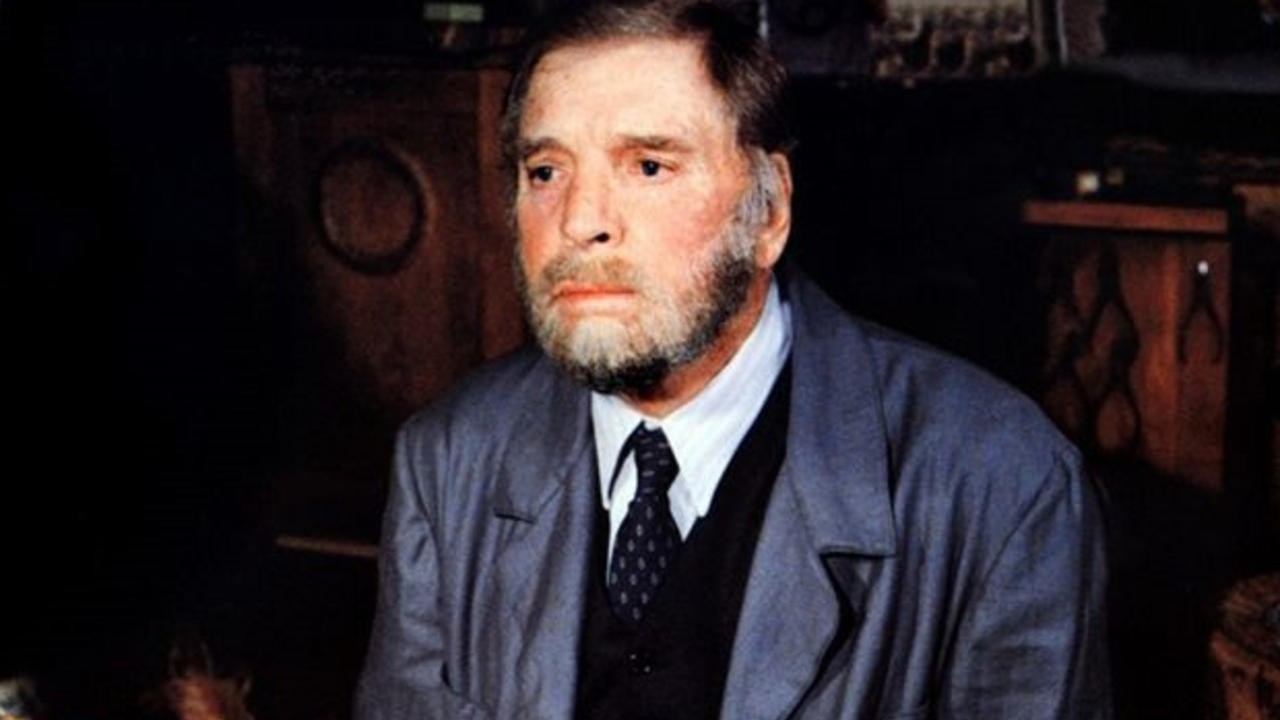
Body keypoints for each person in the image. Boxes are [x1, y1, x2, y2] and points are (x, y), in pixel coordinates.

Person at [355, 1, 1112, 717]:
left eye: (649, 166)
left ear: (769, 211)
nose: (580, 221)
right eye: (546, 172)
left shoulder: (1000, 481)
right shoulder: (448, 456)